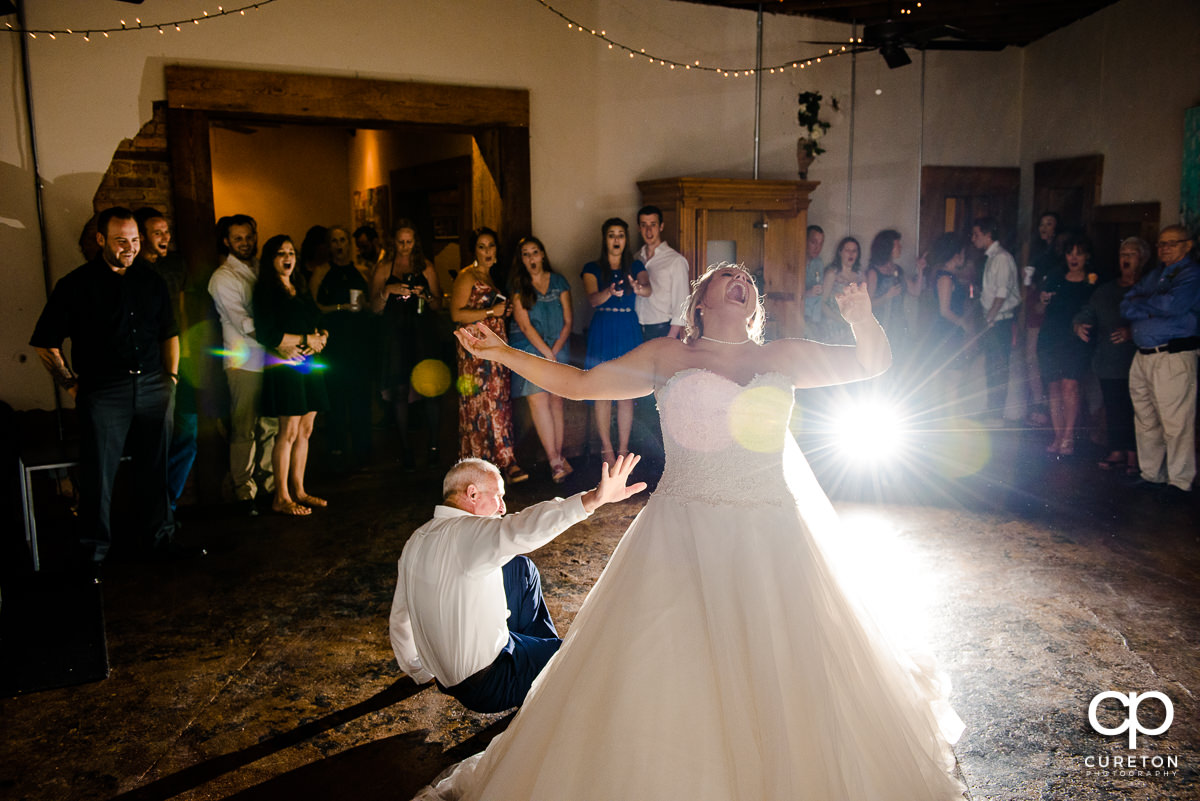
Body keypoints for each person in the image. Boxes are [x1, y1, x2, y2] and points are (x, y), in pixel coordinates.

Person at [427, 263, 965, 800]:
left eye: (748, 279)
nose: (741, 279)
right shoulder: (668, 357)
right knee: (669, 669)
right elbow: (581, 384)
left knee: (784, 667)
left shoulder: (780, 356)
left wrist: (862, 318)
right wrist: (500, 353)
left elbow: (874, 362)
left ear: (753, 305)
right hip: (680, 535)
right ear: (699, 301)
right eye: (726, 274)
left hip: (773, 536)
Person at [389, 454, 646, 714]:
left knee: (519, 569)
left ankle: (540, 660)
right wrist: (594, 499)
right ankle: (549, 676)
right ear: (473, 494)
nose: (502, 507)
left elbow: (400, 618)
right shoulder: (468, 533)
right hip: (490, 684)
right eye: (498, 496)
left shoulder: (416, 540)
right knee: (578, 657)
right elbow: (522, 528)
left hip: (449, 681)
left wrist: (419, 671)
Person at [31, 207, 179, 564]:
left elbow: (169, 334)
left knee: (156, 469)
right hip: (103, 392)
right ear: (101, 240)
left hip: (153, 388)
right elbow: (44, 341)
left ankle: (159, 544)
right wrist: (71, 385)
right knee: (99, 475)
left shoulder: (152, 280)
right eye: (120, 241)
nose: (129, 248)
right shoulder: (76, 285)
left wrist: (171, 379)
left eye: (134, 240)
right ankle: (93, 554)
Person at [1120, 225, 1200, 497]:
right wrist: (1154, 306)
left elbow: (1175, 305)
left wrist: (1146, 304)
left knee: (1175, 421)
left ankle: (1179, 481)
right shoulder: (1156, 275)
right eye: (1161, 244)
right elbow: (1126, 303)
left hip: (1171, 356)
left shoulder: (1192, 274)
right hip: (1143, 357)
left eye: (1172, 243)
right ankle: (1152, 474)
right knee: (1146, 418)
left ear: (1187, 245)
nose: (1164, 248)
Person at [253, 235, 330, 515]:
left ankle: (299, 490)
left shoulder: (299, 286)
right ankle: (281, 497)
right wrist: (306, 338)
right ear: (271, 259)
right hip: (286, 365)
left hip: (309, 363)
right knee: (288, 431)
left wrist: (321, 336)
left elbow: (317, 320)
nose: (287, 258)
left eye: (291, 252)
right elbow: (267, 333)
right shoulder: (265, 290)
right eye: (280, 253)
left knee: (306, 430)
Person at [208, 213, 277, 508]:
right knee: (244, 427)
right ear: (227, 241)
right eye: (238, 238)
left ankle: (269, 483)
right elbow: (244, 322)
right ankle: (243, 489)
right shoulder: (223, 277)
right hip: (244, 361)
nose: (245, 243)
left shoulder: (262, 269)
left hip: (270, 358)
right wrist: (280, 335)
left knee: (271, 423)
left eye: (249, 237)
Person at [450, 227, 527, 483]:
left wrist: (501, 312)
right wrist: (492, 313)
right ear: (474, 250)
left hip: (495, 348)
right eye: (481, 247)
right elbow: (457, 315)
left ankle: (503, 461)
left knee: (498, 401)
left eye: (490, 246)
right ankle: (481, 467)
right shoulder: (466, 276)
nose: (487, 251)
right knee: (480, 405)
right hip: (476, 351)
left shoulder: (493, 277)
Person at [134, 207, 197, 513]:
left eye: (166, 231)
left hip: (179, 361)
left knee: (188, 438)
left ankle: (166, 509)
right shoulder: (131, 271)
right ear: (141, 236)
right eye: (157, 232)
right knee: (154, 444)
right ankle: (154, 514)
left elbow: (182, 311)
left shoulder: (175, 265)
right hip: (147, 367)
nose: (165, 237)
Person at [370, 221, 444, 470]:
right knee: (399, 391)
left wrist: (426, 296)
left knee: (429, 388)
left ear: (415, 242)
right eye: (400, 242)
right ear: (394, 242)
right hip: (395, 336)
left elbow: (438, 305)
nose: (404, 247)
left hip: (421, 335)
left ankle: (433, 446)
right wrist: (388, 290)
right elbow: (374, 308)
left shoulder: (426, 267)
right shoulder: (384, 268)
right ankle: (406, 449)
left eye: (408, 242)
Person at [1074, 237, 1149, 475]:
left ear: (1143, 258)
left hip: (1137, 359)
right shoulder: (1106, 290)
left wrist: (1132, 332)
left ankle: (1135, 455)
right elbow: (1087, 312)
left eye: (1132, 254)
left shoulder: (1149, 288)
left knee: (1136, 408)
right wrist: (1079, 324)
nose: (1125, 259)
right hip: (1108, 360)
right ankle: (1117, 449)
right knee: (1114, 406)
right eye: (1122, 254)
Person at [583, 218, 650, 465]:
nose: (616, 240)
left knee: (625, 393)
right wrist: (609, 292)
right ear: (605, 239)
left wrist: (637, 287)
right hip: (603, 328)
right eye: (611, 235)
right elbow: (592, 300)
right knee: (602, 392)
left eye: (620, 235)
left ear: (626, 239)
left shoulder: (634, 265)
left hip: (627, 329)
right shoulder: (592, 267)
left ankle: (622, 451)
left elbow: (648, 289)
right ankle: (607, 450)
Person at [508, 236, 574, 481]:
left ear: (543, 254)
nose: (531, 258)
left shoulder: (559, 282)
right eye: (525, 254)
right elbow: (525, 326)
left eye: (535, 252)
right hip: (530, 348)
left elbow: (568, 320)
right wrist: (546, 353)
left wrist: (555, 349)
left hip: (558, 346)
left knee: (557, 400)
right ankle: (555, 462)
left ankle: (558, 456)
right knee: (539, 400)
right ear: (521, 259)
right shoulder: (518, 286)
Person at [311, 225, 373, 470]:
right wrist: (340, 307)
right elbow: (314, 307)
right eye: (334, 240)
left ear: (349, 243)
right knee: (336, 396)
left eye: (343, 239)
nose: (339, 245)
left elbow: (370, 305)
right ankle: (336, 447)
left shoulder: (362, 271)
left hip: (358, 342)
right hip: (333, 343)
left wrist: (363, 306)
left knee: (360, 396)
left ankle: (363, 449)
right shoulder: (321, 272)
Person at [1036, 232, 1096, 455]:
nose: (1074, 258)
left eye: (1079, 254)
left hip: (1076, 339)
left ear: (1087, 256)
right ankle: (1058, 434)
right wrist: (1041, 301)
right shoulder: (1055, 276)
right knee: (1053, 386)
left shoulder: (1092, 280)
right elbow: (1039, 310)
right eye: (1070, 253)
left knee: (1070, 385)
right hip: (1051, 336)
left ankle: (1069, 436)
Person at [971, 217, 1021, 422]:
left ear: (988, 234)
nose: (973, 239)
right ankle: (992, 409)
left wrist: (989, 319)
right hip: (992, 319)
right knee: (991, 366)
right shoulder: (991, 258)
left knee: (999, 366)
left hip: (999, 320)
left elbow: (1001, 295)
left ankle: (997, 412)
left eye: (976, 235)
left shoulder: (1001, 258)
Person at [923, 233, 973, 416]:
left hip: (950, 331)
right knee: (952, 377)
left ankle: (948, 420)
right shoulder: (945, 277)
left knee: (950, 377)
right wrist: (964, 324)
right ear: (956, 254)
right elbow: (944, 310)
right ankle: (951, 421)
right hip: (946, 332)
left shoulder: (950, 275)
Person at [1023, 212, 1064, 426]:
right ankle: (1039, 402)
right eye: (1042, 223)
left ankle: (1048, 406)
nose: (1044, 228)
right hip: (1035, 305)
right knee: (1031, 356)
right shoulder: (1037, 253)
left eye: (1049, 223)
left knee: (1048, 357)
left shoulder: (1060, 257)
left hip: (1053, 311)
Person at [633, 205, 689, 340]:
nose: (648, 230)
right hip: (635, 329)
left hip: (662, 331)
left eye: (653, 224)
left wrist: (669, 339)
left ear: (661, 227)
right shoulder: (635, 258)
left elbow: (682, 305)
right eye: (644, 225)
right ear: (639, 228)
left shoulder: (675, 261)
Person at [815, 235, 864, 344]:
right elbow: (822, 303)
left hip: (853, 325)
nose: (851, 254)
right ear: (840, 252)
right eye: (847, 250)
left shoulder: (861, 276)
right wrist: (839, 319)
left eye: (854, 251)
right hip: (833, 324)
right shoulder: (832, 274)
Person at [802, 224, 825, 327]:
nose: (817, 248)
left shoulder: (818, 263)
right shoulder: (794, 263)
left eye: (821, 243)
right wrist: (807, 293)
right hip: (796, 316)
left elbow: (818, 295)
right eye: (813, 242)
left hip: (814, 319)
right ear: (805, 241)